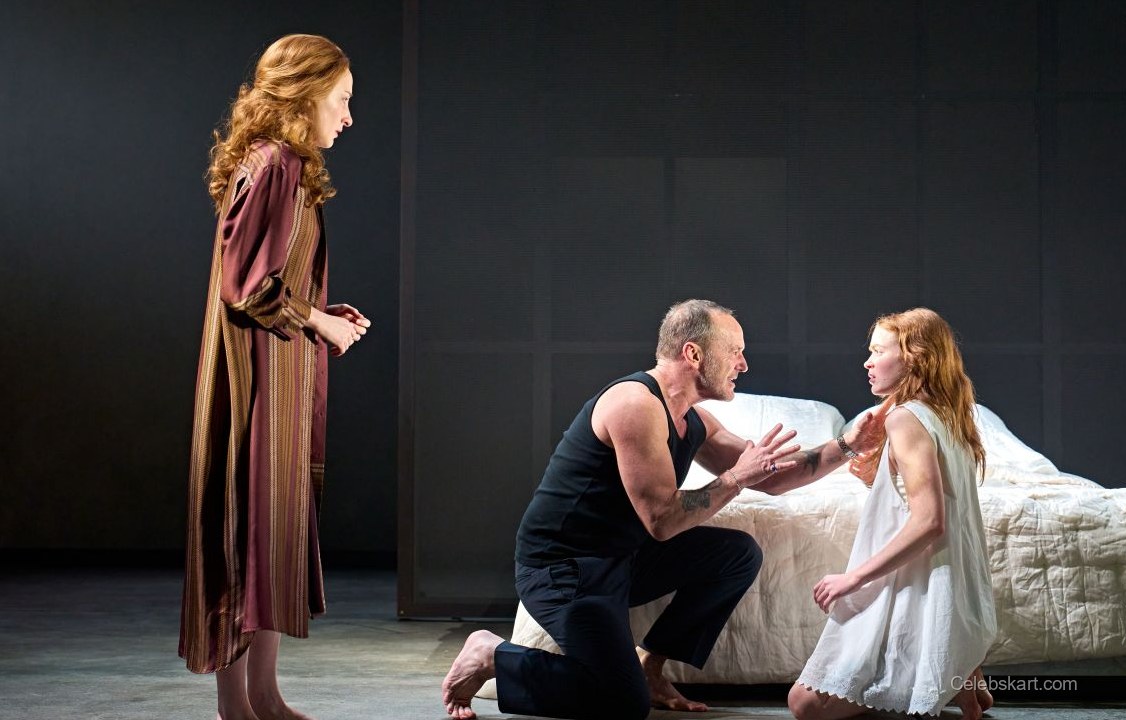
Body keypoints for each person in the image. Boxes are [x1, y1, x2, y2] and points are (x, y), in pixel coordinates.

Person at [441, 299, 890, 720]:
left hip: (622, 557)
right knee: (622, 703)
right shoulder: (634, 404)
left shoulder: (693, 418)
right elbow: (662, 519)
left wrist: (848, 444)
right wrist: (736, 478)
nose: (743, 365)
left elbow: (770, 477)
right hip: (565, 569)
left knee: (737, 554)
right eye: (734, 351)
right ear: (693, 354)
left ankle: (651, 667)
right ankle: (491, 655)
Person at [178, 34, 370, 720]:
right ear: (306, 93)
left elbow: (271, 282)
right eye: (341, 99)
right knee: (245, 533)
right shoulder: (275, 164)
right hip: (253, 391)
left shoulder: (284, 164)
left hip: (277, 379)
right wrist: (321, 324)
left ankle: (264, 696)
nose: (348, 116)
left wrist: (320, 314)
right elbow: (246, 287)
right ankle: (238, 707)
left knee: (268, 535)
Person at [788, 308, 998, 720]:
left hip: (919, 583)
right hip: (946, 583)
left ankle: (944, 675)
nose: (867, 362)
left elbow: (930, 521)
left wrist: (853, 578)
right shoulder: (948, 414)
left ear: (914, 358)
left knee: (804, 705)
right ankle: (959, 673)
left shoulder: (907, 419)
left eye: (878, 351)